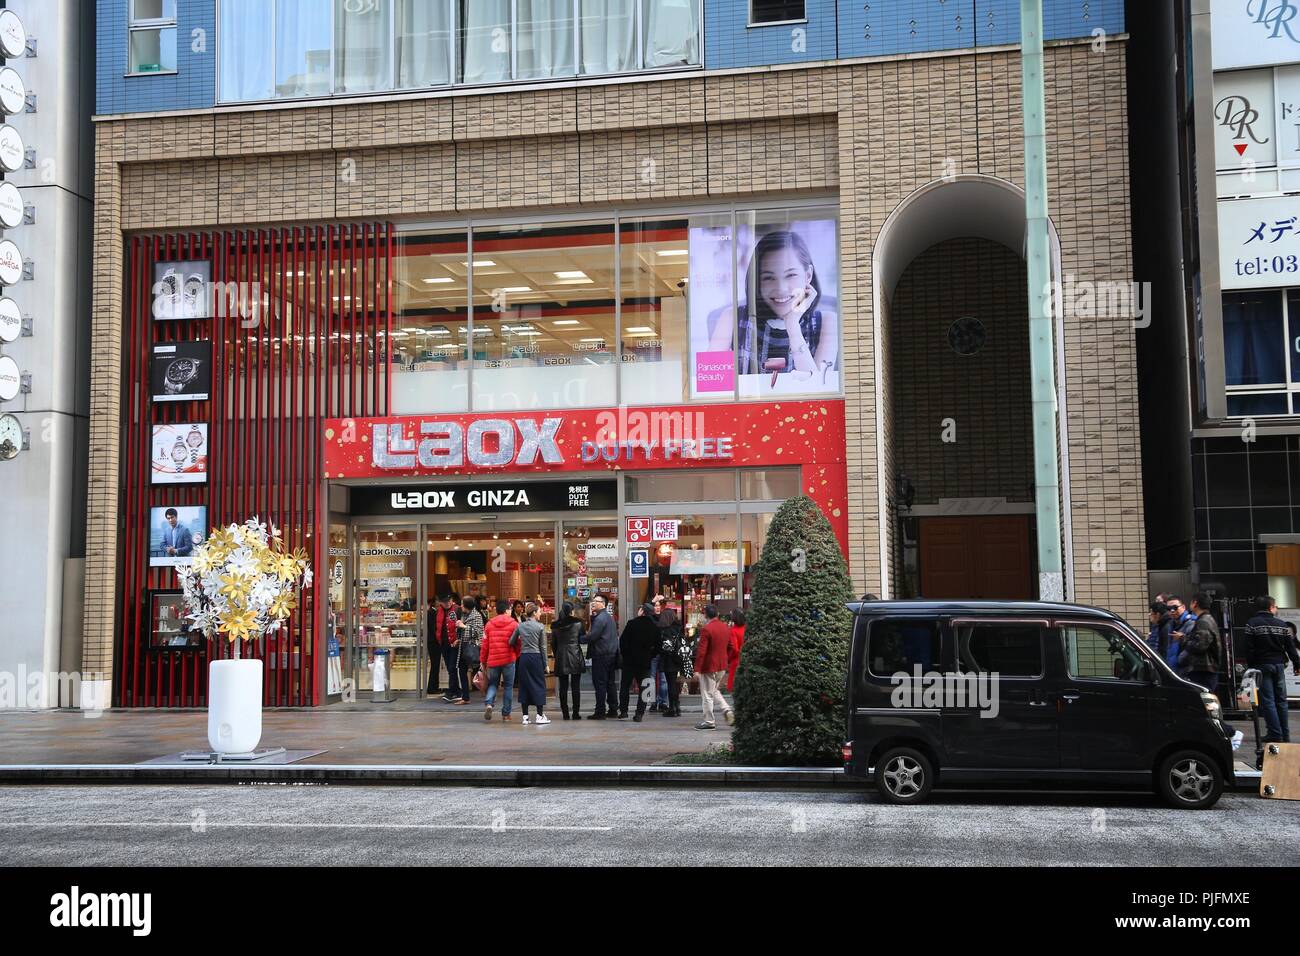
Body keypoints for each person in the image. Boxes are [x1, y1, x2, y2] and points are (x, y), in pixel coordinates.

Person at [709, 229, 839, 378]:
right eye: (768, 278)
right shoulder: (731, 317)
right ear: (757, 281)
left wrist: (792, 325)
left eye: (791, 275)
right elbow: (711, 382)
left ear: (808, 275)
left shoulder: (828, 322)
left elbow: (819, 389)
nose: (781, 288)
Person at [1183, 592, 1242, 749]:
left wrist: (1185, 640)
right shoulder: (1206, 620)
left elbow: (1200, 645)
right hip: (1205, 669)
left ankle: (1230, 732)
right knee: (1204, 707)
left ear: (1195, 603)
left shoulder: (1203, 621)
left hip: (1204, 669)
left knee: (1205, 706)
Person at [1244, 597, 1300, 743]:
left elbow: (1249, 649)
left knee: (1268, 701)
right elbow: (1291, 648)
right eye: (1275, 606)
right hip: (1279, 665)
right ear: (1270, 607)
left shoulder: (1252, 624)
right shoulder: (1282, 625)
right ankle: (1285, 734)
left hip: (1262, 665)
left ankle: (1275, 733)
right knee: (1281, 701)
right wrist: (1297, 664)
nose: (1276, 609)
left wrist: (1251, 667)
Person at [693, 605, 735, 730]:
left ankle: (709, 721)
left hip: (709, 666)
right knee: (714, 690)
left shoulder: (707, 629)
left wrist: (697, 669)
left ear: (706, 615)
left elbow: (701, 652)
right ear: (717, 614)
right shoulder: (725, 627)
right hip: (721, 665)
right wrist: (725, 658)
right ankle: (726, 709)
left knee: (707, 694)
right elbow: (731, 646)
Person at [618, 603, 660, 722]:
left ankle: (624, 711)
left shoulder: (632, 623)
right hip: (645, 662)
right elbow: (658, 646)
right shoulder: (654, 627)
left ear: (642, 611)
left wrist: (626, 654)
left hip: (629, 661)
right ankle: (639, 713)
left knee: (625, 686)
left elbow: (623, 641)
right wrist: (651, 655)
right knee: (645, 688)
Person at [481, 599, 520, 722]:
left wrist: (483, 660)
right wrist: (516, 655)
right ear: (507, 610)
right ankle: (506, 714)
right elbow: (519, 642)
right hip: (509, 659)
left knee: (493, 684)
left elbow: (484, 645)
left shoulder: (489, 624)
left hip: (493, 660)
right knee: (508, 686)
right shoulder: (514, 624)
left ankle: (488, 704)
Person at [512, 603, 550, 725]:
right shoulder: (540, 627)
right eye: (539, 612)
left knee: (524, 685)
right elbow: (543, 647)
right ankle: (539, 715)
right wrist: (546, 664)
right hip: (536, 657)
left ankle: (525, 717)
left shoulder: (520, 626)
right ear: (534, 613)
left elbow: (511, 641)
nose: (540, 614)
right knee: (539, 684)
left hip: (523, 657)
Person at [550, 602, 585, 720]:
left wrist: (557, 654)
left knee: (563, 687)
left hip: (561, 656)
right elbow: (582, 638)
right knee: (576, 687)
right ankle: (576, 713)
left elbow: (553, 643)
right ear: (571, 611)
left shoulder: (555, 625)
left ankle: (565, 713)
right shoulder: (578, 623)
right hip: (575, 655)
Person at [585, 594, 619, 719]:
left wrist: (580, 638)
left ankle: (600, 711)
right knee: (610, 683)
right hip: (610, 654)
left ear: (603, 604)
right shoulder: (608, 618)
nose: (593, 603)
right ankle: (613, 709)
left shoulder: (600, 618)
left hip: (601, 655)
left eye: (596, 601)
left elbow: (592, 636)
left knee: (600, 683)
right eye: (593, 601)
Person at [452, 595, 484, 705]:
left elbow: (477, 632)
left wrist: (463, 626)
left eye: (462, 604)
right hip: (464, 647)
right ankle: (465, 697)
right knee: (461, 670)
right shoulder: (465, 615)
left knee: (480, 671)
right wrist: (459, 640)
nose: (461, 606)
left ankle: (489, 694)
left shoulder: (477, 616)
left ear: (467, 606)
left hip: (474, 648)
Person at [656, 605, 685, 718]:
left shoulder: (663, 630)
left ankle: (672, 708)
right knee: (673, 683)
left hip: (667, 659)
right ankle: (676, 707)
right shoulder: (678, 628)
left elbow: (659, 646)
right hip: (677, 658)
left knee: (670, 683)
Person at [434, 594, 462, 703]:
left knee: (452, 667)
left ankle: (452, 691)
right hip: (444, 644)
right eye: (445, 601)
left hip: (454, 643)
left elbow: (462, 625)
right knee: (450, 668)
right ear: (440, 602)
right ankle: (456, 691)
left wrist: (458, 640)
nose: (447, 603)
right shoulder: (438, 611)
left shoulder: (457, 609)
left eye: (449, 600)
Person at [648, 596, 670, 711]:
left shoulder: (665, 618)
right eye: (655, 606)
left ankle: (662, 702)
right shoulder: (650, 618)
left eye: (658, 605)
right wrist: (652, 601)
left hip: (662, 653)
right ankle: (652, 702)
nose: (657, 608)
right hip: (652, 653)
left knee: (663, 679)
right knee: (651, 678)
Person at [727, 609, 747, 692]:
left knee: (733, 686)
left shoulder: (733, 630)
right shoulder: (746, 629)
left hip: (736, 660)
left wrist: (729, 658)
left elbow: (735, 649)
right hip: (746, 659)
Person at [425, 598, 442, 697]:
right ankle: (432, 688)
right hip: (433, 642)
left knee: (435, 665)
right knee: (435, 665)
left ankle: (434, 686)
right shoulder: (431, 613)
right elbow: (434, 628)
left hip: (433, 641)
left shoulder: (432, 612)